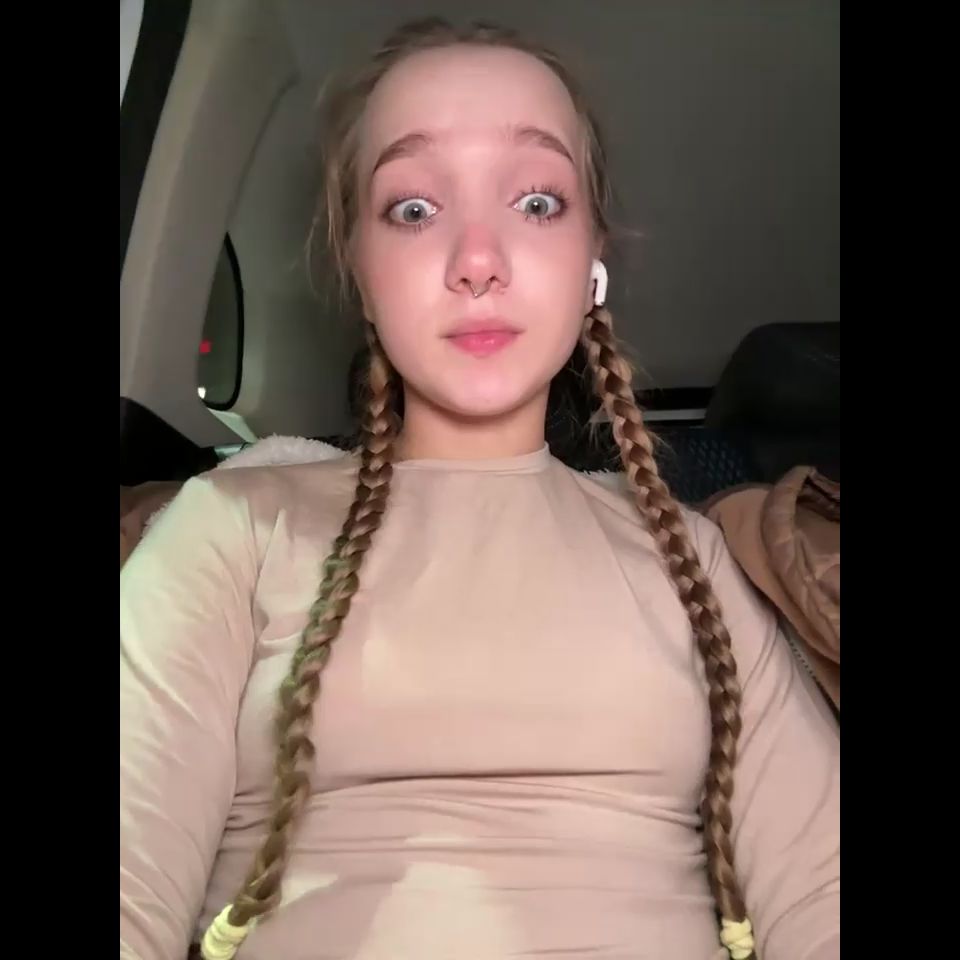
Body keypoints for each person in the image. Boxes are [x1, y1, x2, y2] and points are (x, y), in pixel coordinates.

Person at [120, 17, 840, 960]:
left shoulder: (691, 559)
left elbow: (823, 896)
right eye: (414, 210)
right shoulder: (232, 529)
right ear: (360, 272)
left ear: (592, 262)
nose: (477, 260)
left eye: (537, 202)